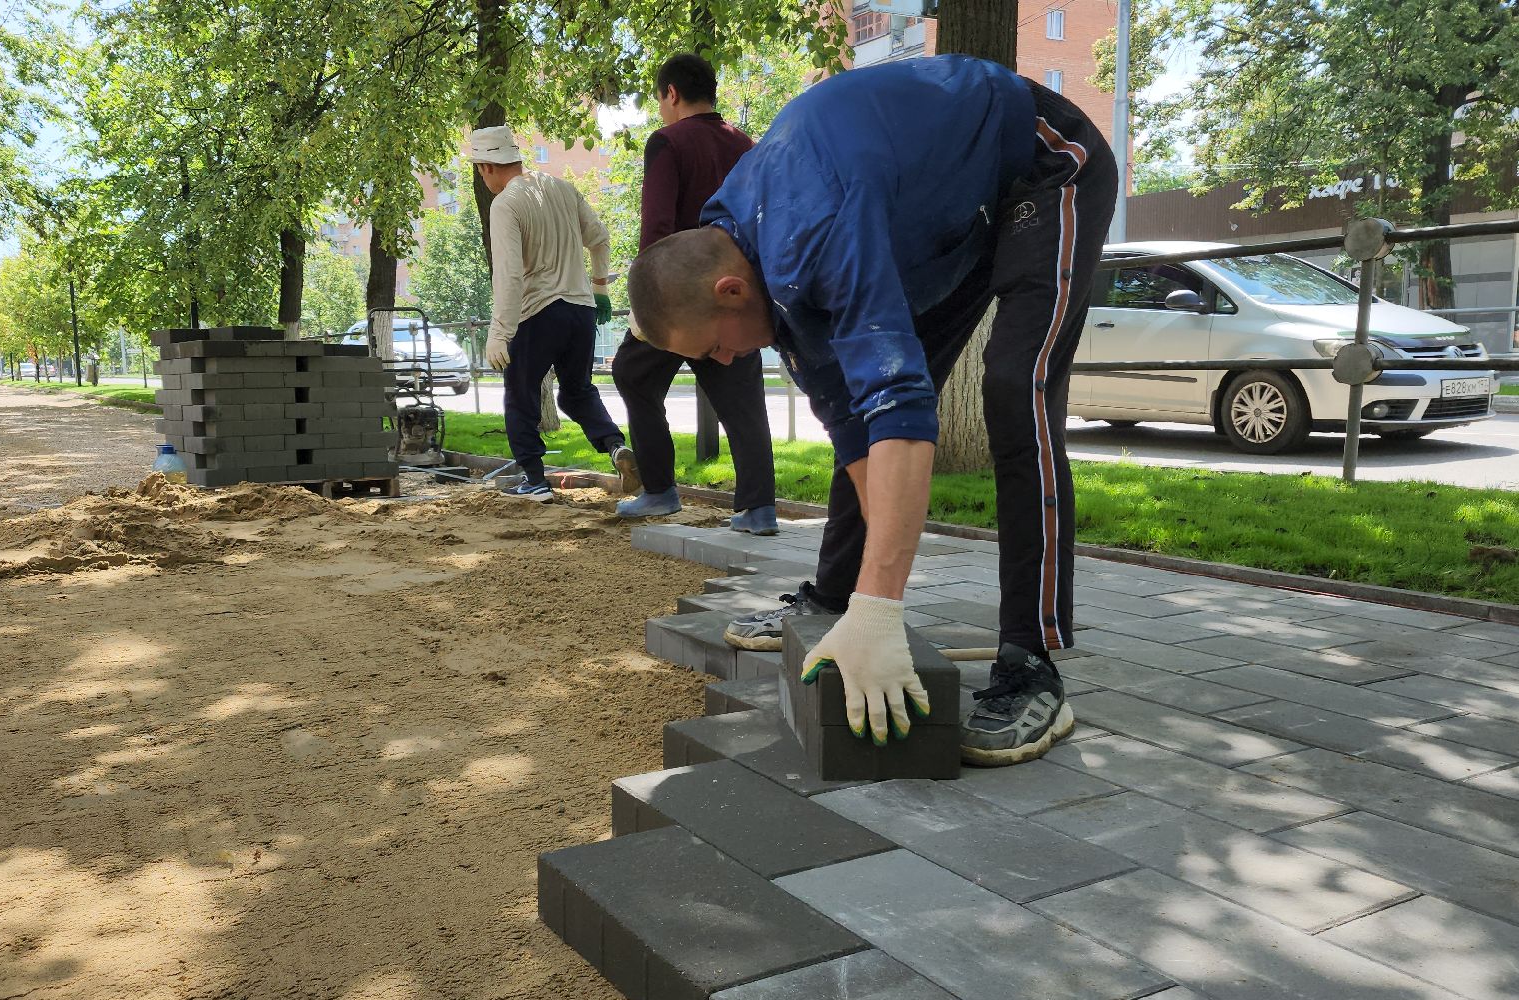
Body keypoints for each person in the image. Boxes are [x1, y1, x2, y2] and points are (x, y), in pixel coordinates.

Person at [625, 56, 1116, 767]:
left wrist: (884, 610)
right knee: (858, 410)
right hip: (936, 221)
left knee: (1015, 389)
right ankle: (835, 596)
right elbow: (857, 431)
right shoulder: (744, 239)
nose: (723, 363)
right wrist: (869, 601)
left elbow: (902, 411)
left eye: (714, 349)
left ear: (732, 292)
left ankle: (1030, 660)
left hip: (1040, 164)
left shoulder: (818, 228)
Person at [611, 53, 779, 536]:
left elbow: (658, 229)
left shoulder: (667, 142)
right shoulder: (744, 144)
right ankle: (757, 507)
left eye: (659, 98)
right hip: (735, 293)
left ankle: (660, 491)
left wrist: (647, 304)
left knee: (632, 373)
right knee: (743, 395)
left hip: (681, 295)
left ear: (671, 93)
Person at [469, 125, 640, 502]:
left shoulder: (506, 204)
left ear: (486, 168)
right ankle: (615, 446)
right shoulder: (561, 187)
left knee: (520, 394)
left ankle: (534, 479)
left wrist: (499, 332)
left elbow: (511, 274)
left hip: (538, 312)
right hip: (580, 312)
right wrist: (599, 288)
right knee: (576, 392)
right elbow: (600, 237)